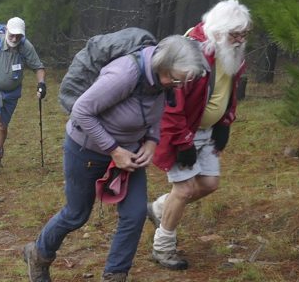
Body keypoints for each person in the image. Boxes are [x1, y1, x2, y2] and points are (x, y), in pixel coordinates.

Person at [22, 35, 207, 282]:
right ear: (163, 63)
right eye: (175, 79)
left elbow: (155, 113)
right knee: (77, 214)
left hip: (130, 155)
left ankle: (115, 276)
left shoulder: (163, 83)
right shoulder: (125, 74)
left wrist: (152, 141)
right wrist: (114, 150)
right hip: (85, 150)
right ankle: (39, 254)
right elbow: (81, 111)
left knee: (135, 214)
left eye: (182, 81)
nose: (178, 86)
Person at [147, 0, 252, 271]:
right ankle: (163, 248)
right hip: (182, 131)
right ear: (218, 31)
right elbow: (171, 106)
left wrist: (225, 123)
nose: (240, 40)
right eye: (235, 34)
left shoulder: (230, 51)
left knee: (209, 183)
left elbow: (228, 90)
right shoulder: (189, 52)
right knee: (184, 190)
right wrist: (182, 142)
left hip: (206, 130)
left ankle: (159, 209)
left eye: (244, 34)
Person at [0, 17, 46, 175]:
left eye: (18, 36)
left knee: (3, 126)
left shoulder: (25, 47)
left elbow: (38, 67)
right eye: (12, 35)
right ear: (6, 30)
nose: (14, 39)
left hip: (12, 92)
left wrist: (41, 84)